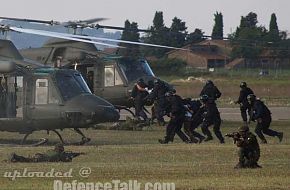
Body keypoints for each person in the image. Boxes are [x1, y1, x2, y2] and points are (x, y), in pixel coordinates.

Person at [9, 143, 84, 162]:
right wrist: (77, 155)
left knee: (28, 159)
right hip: (41, 158)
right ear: (61, 149)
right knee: (27, 160)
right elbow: (66, 159)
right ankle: (15, 157)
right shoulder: (60, 154)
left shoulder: (51, 151)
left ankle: (15, 158)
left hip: (40, 155)